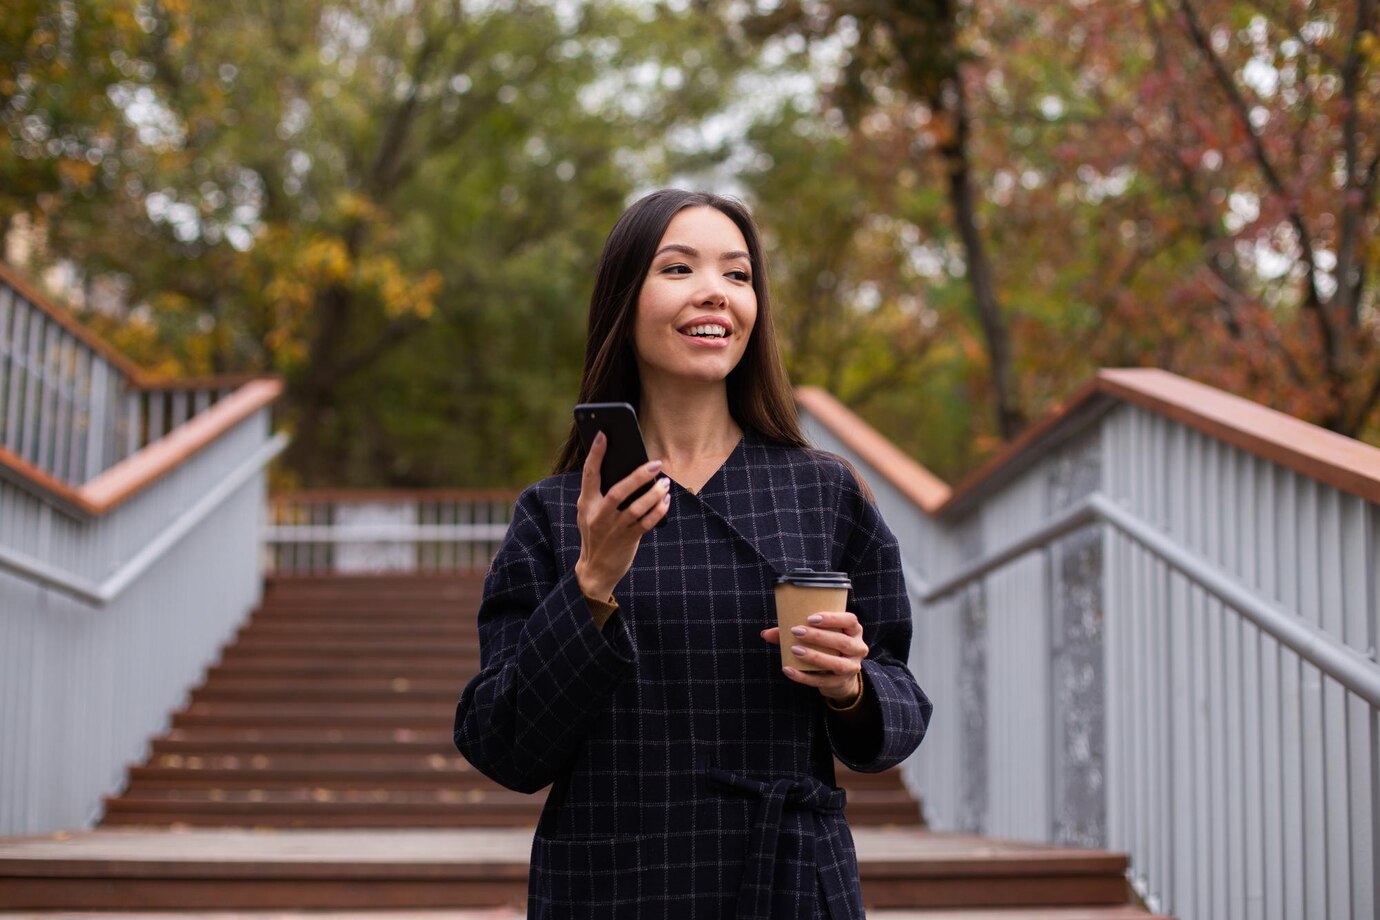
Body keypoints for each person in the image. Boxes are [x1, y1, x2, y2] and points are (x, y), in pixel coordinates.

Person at [454, 189, 932, 919]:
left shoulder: (823, 491)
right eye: (678, 268)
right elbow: (503, 743)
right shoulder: (556, 513)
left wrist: (850, 686)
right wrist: (592, 580)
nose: (716, 292)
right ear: (624, 300)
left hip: (787, 881)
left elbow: (899, 701)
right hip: (612, 883)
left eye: (738, 276)